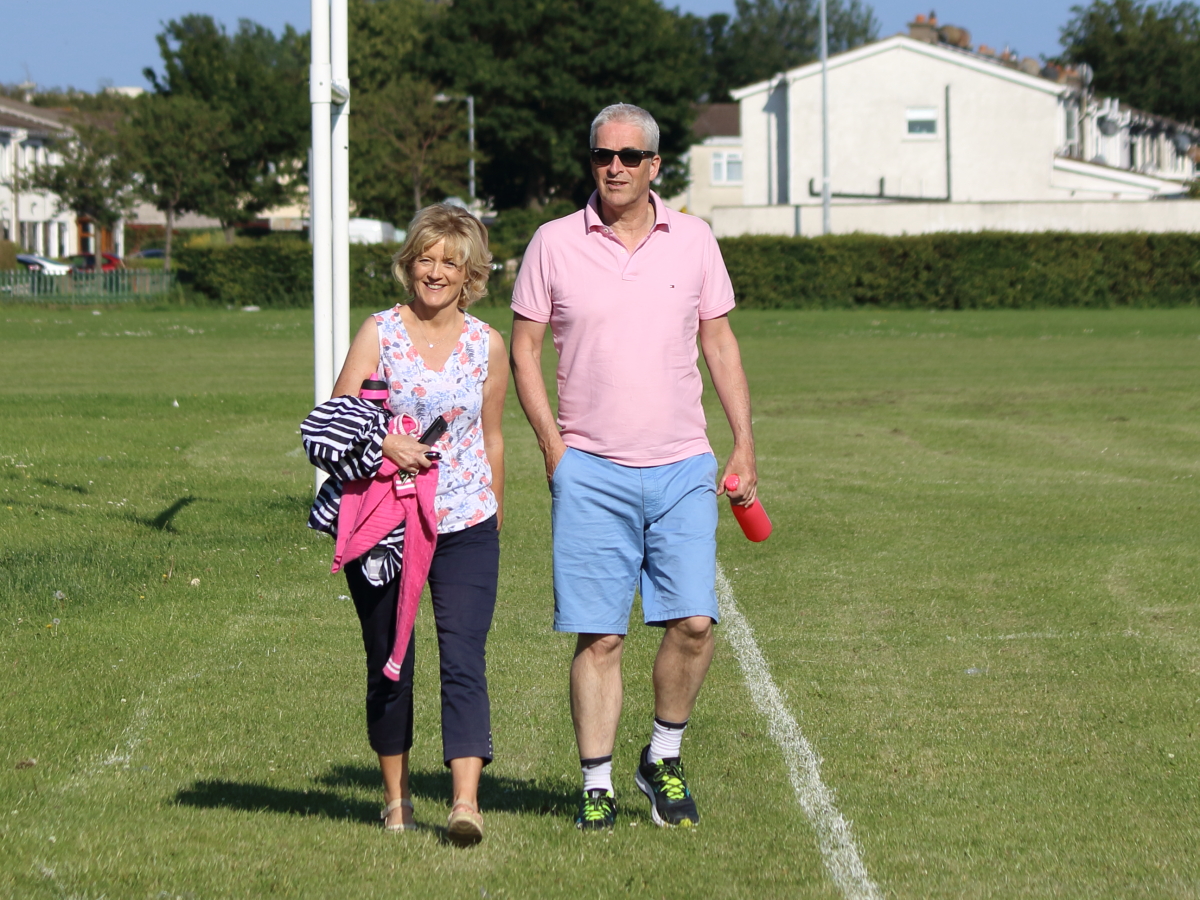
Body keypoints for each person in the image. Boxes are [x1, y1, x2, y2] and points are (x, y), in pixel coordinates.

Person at [509, 103, 757, 830]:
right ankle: (595, 786)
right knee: (602, 635)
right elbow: (524, 350)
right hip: (590, 468)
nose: (611, 166)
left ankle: (664, 759)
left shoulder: (695, 240)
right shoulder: (553, 243)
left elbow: (720, 345)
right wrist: (555, 450)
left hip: (683, 465)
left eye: (627, 155)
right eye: (599, 155)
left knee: (694, 625)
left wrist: (743, 442)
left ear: (655, 166)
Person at [304, 203, 507, 845]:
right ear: (408, 263)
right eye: (426, 257)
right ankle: (396, 801)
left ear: (471, 273)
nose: (436, 271)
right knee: (390, 661)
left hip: (466, 521)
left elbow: (494, 437)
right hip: (386, 523)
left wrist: (494, 511)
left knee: (465, 658)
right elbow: (337, 414)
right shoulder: (378, 332)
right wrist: (384, 443)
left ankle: (465, 804)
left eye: (451, 261)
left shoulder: (487, 344)